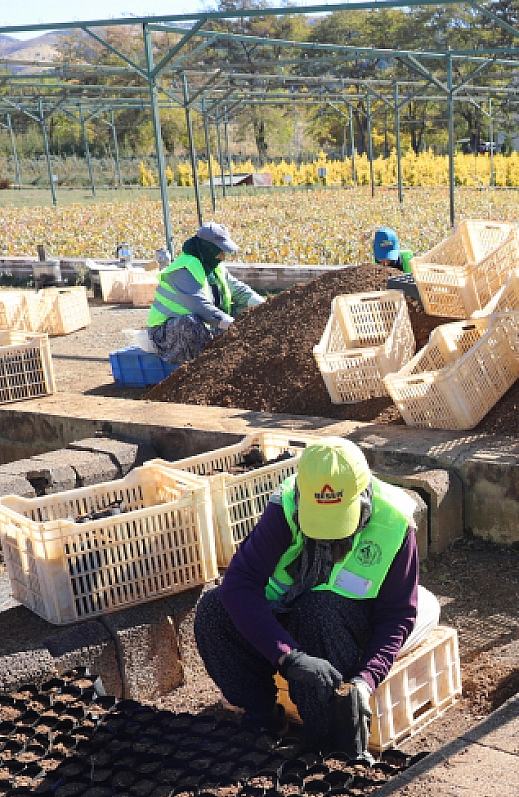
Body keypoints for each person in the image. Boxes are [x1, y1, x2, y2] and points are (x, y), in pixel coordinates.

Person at [193, 437, 440, 760]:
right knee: (214, 611)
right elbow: (239, 584)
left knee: (318, 610)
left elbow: (396, 616)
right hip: (293, 609)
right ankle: (262, 719)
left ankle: (328, 743)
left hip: (347, 624)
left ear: (362, 496)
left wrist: (365, 681)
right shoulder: (286, 506)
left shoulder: (393, 522)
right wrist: (289, 657)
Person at [145, 222, 265, 366]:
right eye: (220, 251)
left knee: (246, 312)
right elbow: (201, 307)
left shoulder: (214, 266)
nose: (223, 256)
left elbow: (238, 290)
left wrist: (265, 306)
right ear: (208, 249)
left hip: (204, 325)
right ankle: (207, 366)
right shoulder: (184, 270)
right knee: (189, 323)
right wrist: (234, 326)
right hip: (165, 334)